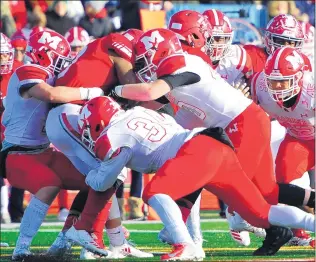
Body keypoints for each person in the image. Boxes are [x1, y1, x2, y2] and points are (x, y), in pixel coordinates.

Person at [110, 28, 315, 255]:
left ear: (160, 52)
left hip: (242, 125)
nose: (142, 66)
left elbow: (149, 92)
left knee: (233, 193)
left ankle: (264, 226)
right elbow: (153, 102)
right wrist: (121, 111)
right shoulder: (181, 70)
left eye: (145, 58)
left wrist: (115, 91)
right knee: (266, 192)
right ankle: (291, 220)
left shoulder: (178, 64)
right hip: (246, 122)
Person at [70, 96, 314, 260]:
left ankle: (185, 245)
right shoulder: (137, 111)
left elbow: (104, 182)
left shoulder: (111, 136)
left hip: (195, 151)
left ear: (97, 123)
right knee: (260, 213)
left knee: (154, 192)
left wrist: (90, 175)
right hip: (214, 145)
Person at [45, 28, 152, 259]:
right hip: (72, 113)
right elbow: (132, 86)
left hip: (70, 116)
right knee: (113, 170)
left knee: (98, 179)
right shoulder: (117, 41)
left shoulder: (100, 52)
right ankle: (96, 237)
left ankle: (68, 242)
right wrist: (162, 87)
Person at [1, 30, 103, 260]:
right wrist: (89, 92)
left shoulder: (43, 74)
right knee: (49, 184)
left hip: (43, 152)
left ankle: (65, 239)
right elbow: (50, 94)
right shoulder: (28, 71)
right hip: (17, 154)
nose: (62, 62)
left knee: (96, 180)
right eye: (58, 57)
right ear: (43, 54)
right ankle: (21, 249)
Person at [250, 46, 315, 248]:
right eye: (273, 81)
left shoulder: (311, 89)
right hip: (298, 139)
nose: (277, 87)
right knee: (284, 183)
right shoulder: (259, 85)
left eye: (283, 81)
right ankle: (300, 233)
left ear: (298, 78)